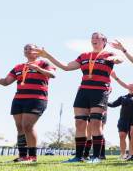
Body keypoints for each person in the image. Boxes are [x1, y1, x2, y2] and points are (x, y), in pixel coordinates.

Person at [34, 32, 121, 163]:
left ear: (104, 41)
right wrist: (47, 56)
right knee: (79, 123)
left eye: (97, 38)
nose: (94, 40)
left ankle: (97, 157)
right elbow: (66, 67)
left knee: (95, 124)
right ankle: (79, 156)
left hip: (100, 91)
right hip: (83, 91)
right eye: (92, 38)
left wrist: (116, 59)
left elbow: (120, 59)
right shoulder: (84, 56)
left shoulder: (109, 54)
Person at [0, 44, 55, 163]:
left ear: (37, 51)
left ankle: (32, 157)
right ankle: (22, 156)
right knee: (20, 127)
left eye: (30, 48)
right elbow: (5, 82)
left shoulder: (44, 63)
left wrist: (39, 69)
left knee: (27, 126)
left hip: (37, 99)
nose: (27, 50)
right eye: (25, 49)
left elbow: (52, 75)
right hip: (19, 99)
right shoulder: (18, 67)